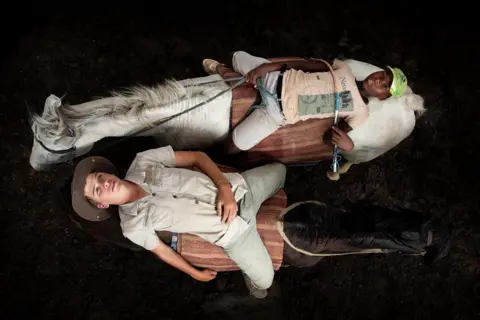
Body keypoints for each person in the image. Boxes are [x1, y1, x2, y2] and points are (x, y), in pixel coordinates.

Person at [71, 145, 286, 299]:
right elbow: (163, 251)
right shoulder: (131, 226)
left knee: (281, 171)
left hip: (239, 189)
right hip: (233, 234)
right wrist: (196, 273)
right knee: (265, 283)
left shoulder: (142, 161)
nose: (104, 184)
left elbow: (197, 158)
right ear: (101, 205)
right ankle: (253, 280)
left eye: (99, 177)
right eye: (97, 191)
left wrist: (224, 187)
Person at [202, 51, 408, 155]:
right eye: (383, 74)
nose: (379, 80)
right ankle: (221, 68)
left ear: (382, 97)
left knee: (234, 146)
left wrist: (347, 145)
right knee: (237, 56)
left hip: (277, 113)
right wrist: (266, 69)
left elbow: (330, 137)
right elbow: (303, 64)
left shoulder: (361, 112)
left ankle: (202, 152)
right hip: (277, 78)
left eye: (384, 86)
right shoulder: (344, 69)